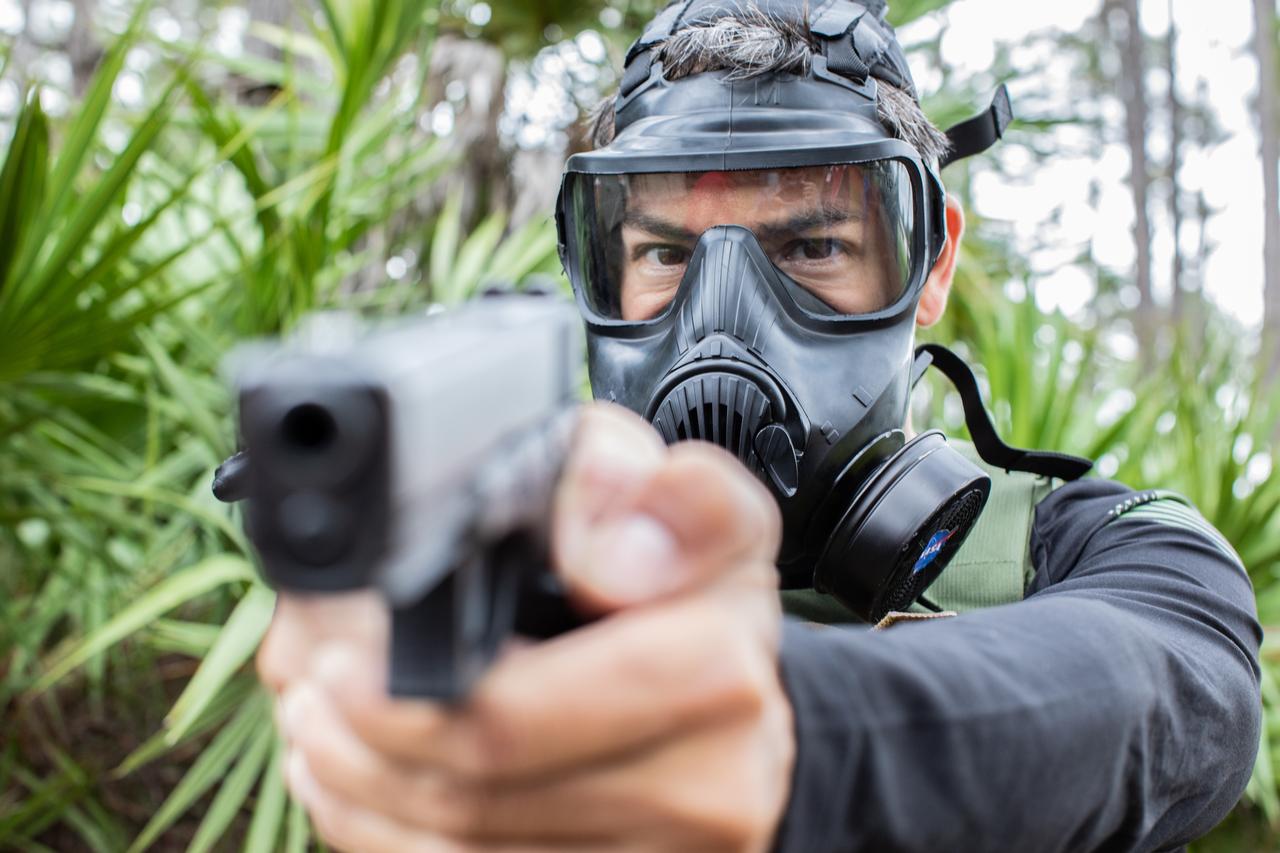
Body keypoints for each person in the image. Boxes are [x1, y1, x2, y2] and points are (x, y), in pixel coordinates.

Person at [254, 1, 1262, 850]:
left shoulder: (1099, 546)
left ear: (930, 265)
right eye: (659, 254)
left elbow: (1172, 695)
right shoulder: (518, 557)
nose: (718, 319)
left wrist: (802, 737)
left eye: (812, 245)